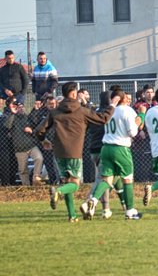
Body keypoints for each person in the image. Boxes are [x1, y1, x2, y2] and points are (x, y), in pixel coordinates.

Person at [36, 82, 117, 222]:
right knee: (74, 184)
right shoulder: (82, 111)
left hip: (58, 152)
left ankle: (72, 216)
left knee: (66, 181)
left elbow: (39, 130)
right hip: (74, 152)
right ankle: (58, 191)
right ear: (74, 94)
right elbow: (103, 118)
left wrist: (43, 140)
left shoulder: (55, 112)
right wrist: (113, 106)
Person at [83, 89, 144, 220]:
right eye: (126, 97)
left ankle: (93, 199)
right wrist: (141, 117)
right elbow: (133, 132)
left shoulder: (109, 110)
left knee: (106, 179)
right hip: (121, 148)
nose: (128, 100)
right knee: (127, 179)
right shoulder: (127, 110)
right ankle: (130, 211)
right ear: (123, 98)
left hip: (106, 147)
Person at [5, 99, 43, 185]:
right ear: (16, 108)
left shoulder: (27, 117)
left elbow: (36, 123)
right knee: (23, 170)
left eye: (23, 107)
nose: (21, 108)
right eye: (19, 107)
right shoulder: (13, 117)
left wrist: (31, 130)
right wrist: (13, 113)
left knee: (39, 158)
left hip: (31, 146)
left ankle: (36, 178)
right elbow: (7, 125)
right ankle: (26, 186)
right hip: (19, 148)